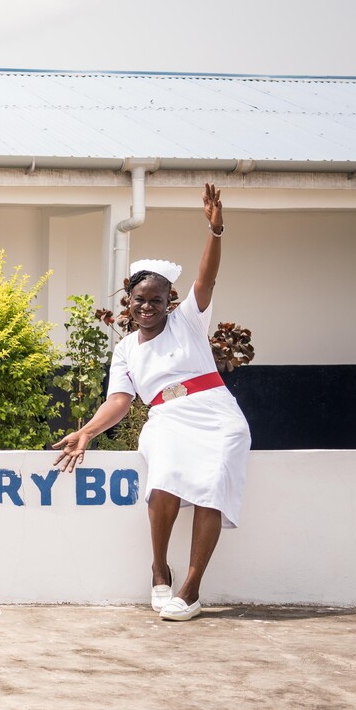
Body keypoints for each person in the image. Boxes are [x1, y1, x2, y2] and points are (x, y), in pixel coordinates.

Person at [52, 184, 250, 621]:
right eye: (140, 300)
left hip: (216, 413)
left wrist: (215, 232)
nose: (148, 307)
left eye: (156, 300)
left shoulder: (189, 322)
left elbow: (207, 279)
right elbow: (120, 401)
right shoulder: (126, 351)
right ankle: (159, 570)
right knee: (162, 481)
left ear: (169, 302)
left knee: (213, 491)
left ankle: (191, 590)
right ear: (129, 302)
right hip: (166, 416)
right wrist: (86, 431)